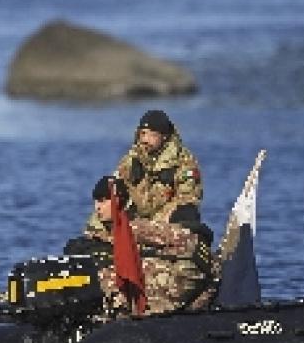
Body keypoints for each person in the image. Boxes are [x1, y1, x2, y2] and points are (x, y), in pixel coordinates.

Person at [66, 176, 214, 316]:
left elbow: (186, 241)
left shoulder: (136, 229)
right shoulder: (105, 231)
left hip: (175, 282)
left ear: (117, 201)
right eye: (96, 202)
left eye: (104, 201)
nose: (98, 207)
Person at [104, 109, 203, 226]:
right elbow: (114, 187)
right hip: (136, 218)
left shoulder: (182, 162)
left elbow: (188, 198)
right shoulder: (131, 160)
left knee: (187, 212)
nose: (145, 140)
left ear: (164, 136)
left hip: (166, 220)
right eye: (143, 133)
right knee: (106, 199)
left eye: (152, 135)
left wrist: (158, 221)